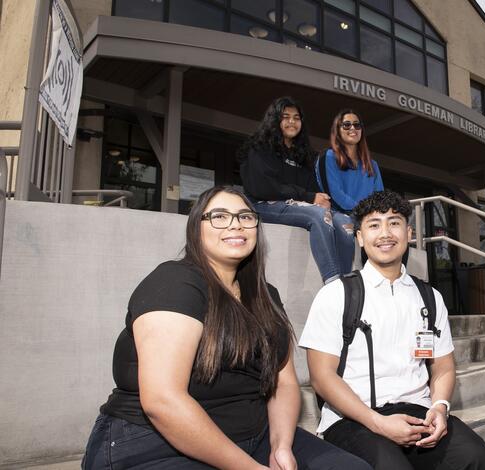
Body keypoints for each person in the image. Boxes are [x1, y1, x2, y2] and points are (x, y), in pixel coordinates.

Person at [82, 186, 371, 470]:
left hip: (252, 437)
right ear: (197, 228)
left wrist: (280, 446)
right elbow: (163, 401)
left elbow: (283, 383)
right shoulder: (175, 282)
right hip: (152, 444)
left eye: (246, 217)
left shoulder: (266, 295)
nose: (236, 225)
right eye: (219, 216)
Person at [299, 190, 485, 470]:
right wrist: (378, 423)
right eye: (374, 225)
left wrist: (440, 407)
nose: (385, 233)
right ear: (359, 237)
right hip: (354, 418)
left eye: (394, 223)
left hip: (417, 413)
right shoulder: (336, 295)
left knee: (480, 461)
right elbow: (322, 377)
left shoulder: (430, 297)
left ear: (408, 233)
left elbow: (442, 366)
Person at [240, 97, 355, 284]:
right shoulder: (259, 147)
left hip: (296, 205)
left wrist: (318, 197)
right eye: (285, 117)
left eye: (296, 117)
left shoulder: (303, 154)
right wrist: (309, 197)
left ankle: (347, 283)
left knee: (344, 221)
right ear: (275, 120)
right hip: (262, 206)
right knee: (319, 216)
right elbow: (263, 188)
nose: (291, 121)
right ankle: (333, 282)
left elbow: (312, 190)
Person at [316, 109, 384, 214]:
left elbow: (380, 198)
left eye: (357, 125)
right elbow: (335, 195)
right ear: (337, 130)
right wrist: (363, 213)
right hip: (338, 218)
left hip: (369, 220)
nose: (352, 128)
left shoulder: (372, 165)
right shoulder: (328, 157)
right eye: (346, 125)